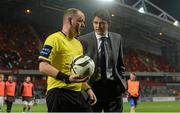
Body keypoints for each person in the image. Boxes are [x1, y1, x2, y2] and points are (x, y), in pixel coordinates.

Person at [38, 8, 97, 112]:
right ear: (70, 20)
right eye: (80, 21)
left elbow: (77, 73)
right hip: (58, 93)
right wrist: (67, 78)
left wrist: (88, 89)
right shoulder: (54, 39)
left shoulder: (78, 44)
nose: (83, 25)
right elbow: (43, 67)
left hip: (76, 94)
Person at [79, 9, 127, 112]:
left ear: (108, 23)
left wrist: (122, 83)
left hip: (113, 89)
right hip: (93, 88)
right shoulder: (83, 40)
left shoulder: (117, 38)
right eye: (95, 23)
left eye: (102, 23)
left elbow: (120, 64)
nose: (98, 26)